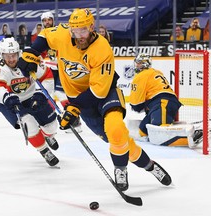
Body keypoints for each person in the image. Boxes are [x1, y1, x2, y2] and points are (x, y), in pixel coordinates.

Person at [17, 8, 172, 191]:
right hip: (80, 100)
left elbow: (98, 91)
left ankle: (120, 169)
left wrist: (74, 107)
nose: (79, 35)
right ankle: (150, 166)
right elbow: (45, 35)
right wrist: (32, 52)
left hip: (105, 93)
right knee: (119, 141)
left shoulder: (102, 48)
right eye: (75, 31)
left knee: (115, 130)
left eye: (83, 30)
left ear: (92, 27)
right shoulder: (64, 34)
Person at [0, 37, 59, 167]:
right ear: (2, 55)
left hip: (33, 95)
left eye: (13, 55)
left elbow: (47, 75)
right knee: (29, 124)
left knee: (51, 126)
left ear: (19, 53)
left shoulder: (29, 58)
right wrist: (7, 97)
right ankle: (44, 150)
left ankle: (48, 135)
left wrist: (40, 94)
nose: (11, 59)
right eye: (7, 56)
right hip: (11, 101)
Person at [129, 54, 203, 148]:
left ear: (144, 65)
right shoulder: (156, 72)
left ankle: (193, 135)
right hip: (165, 103)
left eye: (139, 64)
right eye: (137, 63)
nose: (137, 66)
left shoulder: (140, 76)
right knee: (143, 131)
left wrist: (139, 106)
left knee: (161, 132)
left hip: (162, 103)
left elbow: (136, 105)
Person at [39, 11, 82, 133]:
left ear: (53, 20)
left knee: (62, 93)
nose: (47, 22)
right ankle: (51, 121)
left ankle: (75, 120)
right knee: (49, 94)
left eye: (49, 19)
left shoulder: (59, 32)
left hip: (63, 68)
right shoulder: (43, 35)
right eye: (45, 20)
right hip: (51, 70)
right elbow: (40, 53)